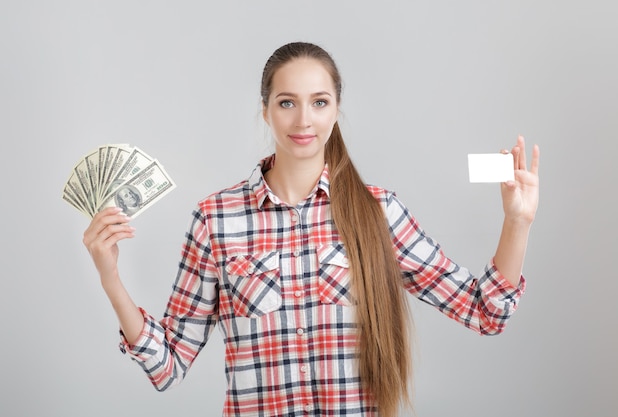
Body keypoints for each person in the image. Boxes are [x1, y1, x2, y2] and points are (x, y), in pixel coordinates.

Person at [83, 41, 540, 417]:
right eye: (287, 103)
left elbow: (486, 312)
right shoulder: (216, 219)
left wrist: (517, 221)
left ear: (336, 109)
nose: (304, 120)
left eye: (319, 102)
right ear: (265, 111)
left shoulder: (378, 212)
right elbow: (168, 365)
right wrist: (110, 279)